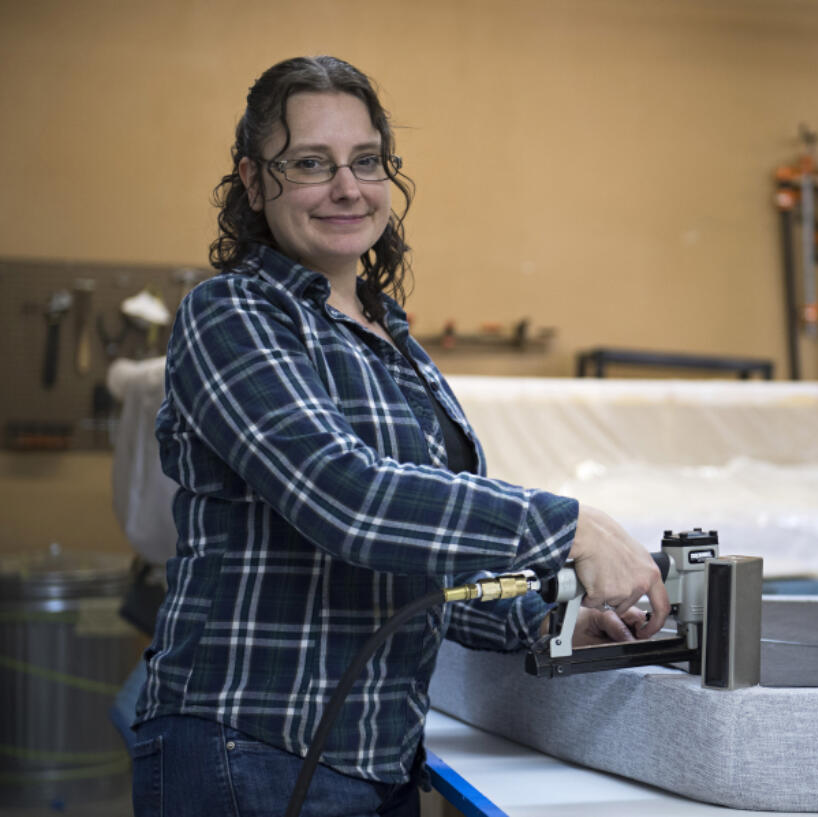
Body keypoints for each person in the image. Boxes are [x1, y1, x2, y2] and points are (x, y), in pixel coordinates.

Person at [130, 55, 669, 817]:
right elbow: (345, 497)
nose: (347, 187)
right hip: (249, 750)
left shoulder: (395, 346)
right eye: (311, 163)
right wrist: (572, 527)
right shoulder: (232, 314)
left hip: (375, 760)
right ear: (253, 182)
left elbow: (422, 571)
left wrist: (553, 624)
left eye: (366, 161)